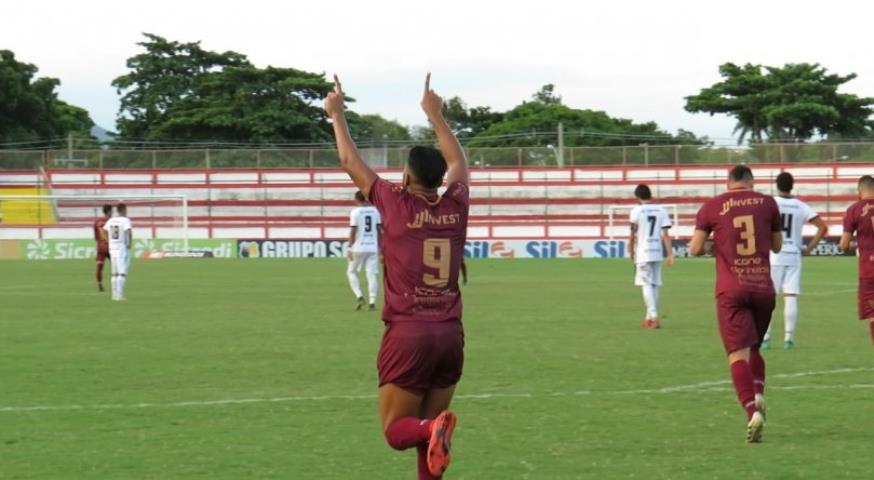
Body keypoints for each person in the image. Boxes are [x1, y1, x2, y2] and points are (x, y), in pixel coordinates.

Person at [325, 73, 468, 478]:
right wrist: (435, 114)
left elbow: (350, 162)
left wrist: (337, 114)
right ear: (440, 179)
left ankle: (430, 428)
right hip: (450, 334)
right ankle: (432, 429)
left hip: (409, 333)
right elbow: (458, 162)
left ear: (406, 178)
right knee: (430, 444)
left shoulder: (395, 202)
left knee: (399, 430)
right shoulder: (457, 204)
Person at [690, 165, 782, 443]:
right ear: (751, 182)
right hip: (763, 287)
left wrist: (715, 245)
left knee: (737, 354)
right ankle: (758, 392)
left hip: (732, 289)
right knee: (754, 347)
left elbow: (695, 249)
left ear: (728, 182)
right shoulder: (768, 203)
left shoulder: (712, 206)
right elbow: (777, 246)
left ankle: (752, 412)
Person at [764, 172, 828, 350]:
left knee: (769, 297)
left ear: (777, 185)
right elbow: (823, 227)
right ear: (792, 186)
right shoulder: (801, 206)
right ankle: (788, 340)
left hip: (774, 254)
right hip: (793, 253)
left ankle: (766, 338)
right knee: (790, 296)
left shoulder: (770, 203)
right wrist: (809, 248)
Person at [628, 184, 674, 329]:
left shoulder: (636, 211)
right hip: (657, 251)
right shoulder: (661, 210)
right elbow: (666, 235)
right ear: (650, 195)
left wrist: (631, 249)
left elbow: (633, 233)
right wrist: (670, 254)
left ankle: (654, 317)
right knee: (654, 284)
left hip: (643, 251)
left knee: (646, 283)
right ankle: (649, 317)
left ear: (637, 197)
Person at [838, 175, 874, 344]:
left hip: (869, 271)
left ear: (859, 190)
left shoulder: (854, 210)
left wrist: (855, 243)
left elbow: (844, 244)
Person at [347, 190, 383, 310]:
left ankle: (359, 296)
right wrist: (380, 247)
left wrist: (349, 247)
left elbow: (353, 231)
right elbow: (379, 230)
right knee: (371, 274)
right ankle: (372, 302)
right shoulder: (375, 211)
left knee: (351, 271)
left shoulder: (355, 212)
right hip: (372, 247)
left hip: (358, 247)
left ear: (357, 199)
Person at [103, 203, 133, 301]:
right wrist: (129, 243)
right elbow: (128, 231)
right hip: (121, 248)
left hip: (112, 248)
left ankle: (114, 295)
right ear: (123, 210)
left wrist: (108, 241)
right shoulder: (125, 220)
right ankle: (120, 295)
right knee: (122, 272)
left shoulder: (111, 220)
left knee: (114, 273)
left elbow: (104, 230)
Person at [94, 204, 112, 292]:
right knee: (116, 266)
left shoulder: (97, 222)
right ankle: (116, 284)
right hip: (111, 246)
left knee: (99, 267)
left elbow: (96, 236)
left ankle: (99, 284)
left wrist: (100, 243)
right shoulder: (112, 221)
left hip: (101, 247)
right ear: (109, 211)